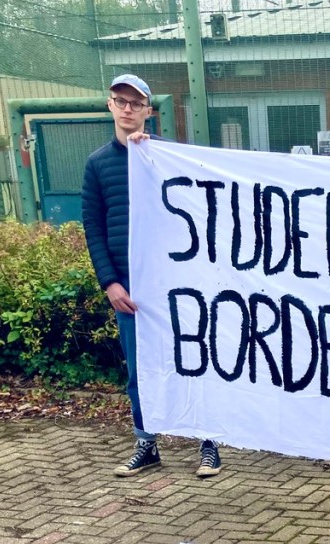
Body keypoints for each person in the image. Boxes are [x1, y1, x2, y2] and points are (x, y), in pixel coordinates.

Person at [82, 74, 222, 478]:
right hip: (130, 290)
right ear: (110, 105)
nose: (127, 109)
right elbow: (93, 226)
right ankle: (147, 445)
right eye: (120, 101)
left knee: (195, 361)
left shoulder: (168, 156)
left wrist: (155, 156)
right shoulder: (96, 165)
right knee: (139, 369)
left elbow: (200, 210)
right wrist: (110, 282)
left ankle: (208, 444)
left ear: (148, 111)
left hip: (178, 286)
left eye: (135, 103)